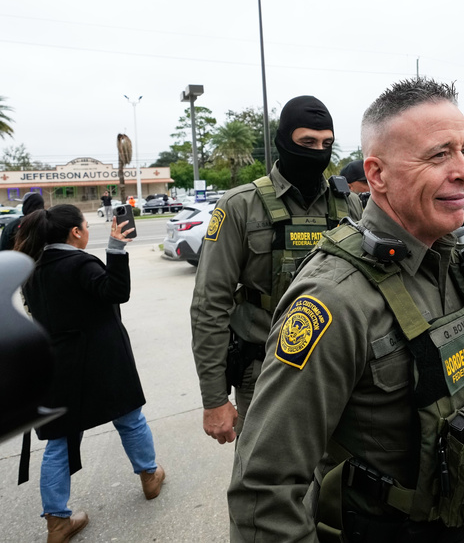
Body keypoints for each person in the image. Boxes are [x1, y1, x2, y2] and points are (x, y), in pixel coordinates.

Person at [228, 78, 464, 542]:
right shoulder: (335, 299)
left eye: (463, 152)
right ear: (378, 175)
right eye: (438, 155)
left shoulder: (450, 258)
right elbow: (264, 490)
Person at [190, 96, 362, 445]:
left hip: (339, 367)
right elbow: (210, 303)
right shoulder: (241, 206)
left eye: (326, 144)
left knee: (341, 478)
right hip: (266, 369)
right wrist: (214, 399)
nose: (318, 151)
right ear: (283, 141)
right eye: (307, 143)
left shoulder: (349, 205)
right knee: (265, 482)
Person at [15, 204, 165, 543]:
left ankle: (57, 521)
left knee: (60, 441)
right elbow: (116, 292)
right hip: (103, 360)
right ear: (76, 233)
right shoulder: (79, 262)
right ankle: (149, 476)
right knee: (129, 419)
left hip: (56, 365)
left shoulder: (33, 268)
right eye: (86, 226)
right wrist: (116, 248)